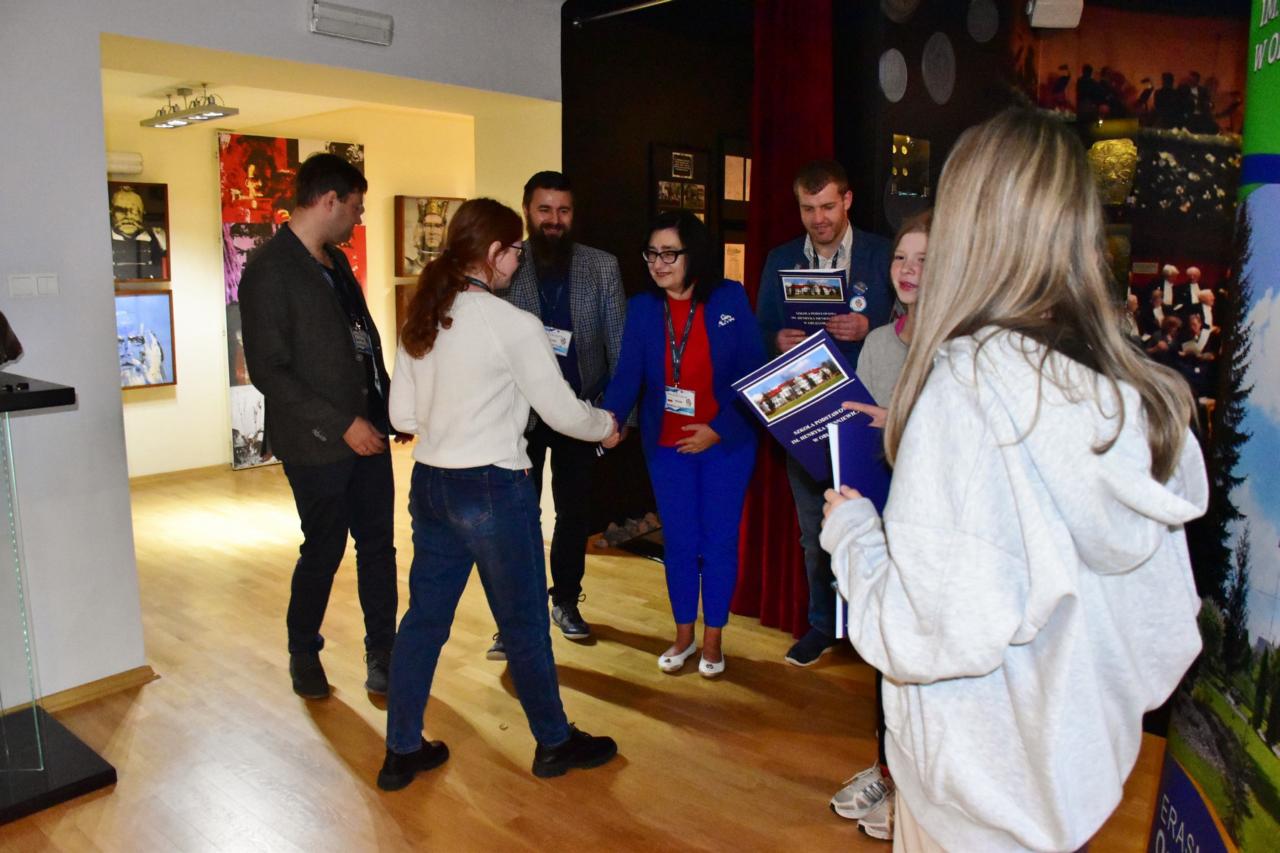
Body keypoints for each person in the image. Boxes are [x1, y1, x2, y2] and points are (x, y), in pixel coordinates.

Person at [820, 108, 1205, 852]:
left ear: (969, 226)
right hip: (1067, 794)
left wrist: (855, 537)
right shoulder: (1130, 393)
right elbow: (1163, 633)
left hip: (971, 802)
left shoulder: (968, 393)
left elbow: (919, 632)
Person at [379, 198, 619, 791]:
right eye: (514, 250)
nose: (518, 259)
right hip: (491, 486)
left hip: (431, 484)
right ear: (493, 253)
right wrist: (606, 426)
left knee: (423, 621)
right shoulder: (512, 324)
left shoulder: (423, 315)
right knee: (524, 623)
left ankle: (402, 749)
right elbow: (561, 412)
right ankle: (555, 743)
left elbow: (401, 415)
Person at [240, 153, 400, 700]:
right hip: (317, 443)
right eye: (355, 207)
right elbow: (268, 370)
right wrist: (341, 425)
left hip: (368, 433)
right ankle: (303, 651)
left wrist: (389, 409)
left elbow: (364, 342)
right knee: (324, 549)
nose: (359, 217)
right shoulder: (268, 269)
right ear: (329, 200)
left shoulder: (336, 263)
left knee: (378, 548)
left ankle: (383, 653)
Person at [601, 209, 764, 677]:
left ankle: (714, 639)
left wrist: (719, 428)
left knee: (718, 542)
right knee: (679, 543)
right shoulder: (642, 308)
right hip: (667, 447)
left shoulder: (729, 297)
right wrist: (608, 419)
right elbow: (627, 375)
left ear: (694, 254)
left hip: (725, 444)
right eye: (652, 254)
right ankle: (683, 634)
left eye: (670, 253)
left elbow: (754, 373)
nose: (659, 263)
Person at [756, 159, 892, 667]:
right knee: (814, 529)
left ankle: (878, 627)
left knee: (881, 520)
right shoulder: (781, 259)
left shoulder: (883, 254)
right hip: (805, 414)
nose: (819, 219)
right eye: (808, 208)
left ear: (848, 201)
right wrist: (777, 339)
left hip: (871, 412)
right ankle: (822, 625)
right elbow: (759, 328)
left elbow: (914, 319)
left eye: (828, 206)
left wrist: (869, 325)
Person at [490, 171, 626, 657]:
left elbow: (619, 346)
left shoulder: (601, 267)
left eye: (563, 210)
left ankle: (565, 601)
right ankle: (514, 620)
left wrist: (615, 416)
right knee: (519, 515)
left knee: (573, 513)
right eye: (545, 209)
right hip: (519, 416)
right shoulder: (506, 265)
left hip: (579, 412)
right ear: (528, 210)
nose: (554, 219)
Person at [827, 210, 930, 842]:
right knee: (885, 660)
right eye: (900, 258)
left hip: (931, 526)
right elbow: (861, 430)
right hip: (882, 514)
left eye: (923, 259)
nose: (908, 270)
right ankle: (887, 771)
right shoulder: (879, 343)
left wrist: (893, 419)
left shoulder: (957, 347)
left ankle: (914, 793)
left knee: (917, 664)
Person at [110, 185, 168, 280]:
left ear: (142, 213)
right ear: (111, 212)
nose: (128, 216)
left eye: (134, 211)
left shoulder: (160, 237)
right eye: (121, 210)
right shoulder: (99, 240)